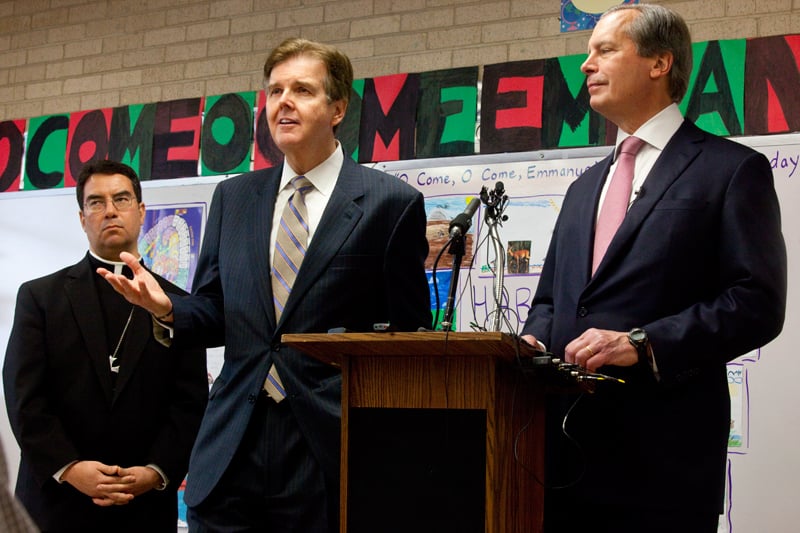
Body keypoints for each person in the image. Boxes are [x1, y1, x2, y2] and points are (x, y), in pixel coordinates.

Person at [100, 37, 431, 532]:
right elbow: (214, 309)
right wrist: (167, 308)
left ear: (338, 107)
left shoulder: (390, 204)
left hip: (326, 445)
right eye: (275, 91)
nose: (284, 102)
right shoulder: (234, 197)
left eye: (302, 89)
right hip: (233, 444)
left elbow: (407, 337)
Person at [521, 5, 786, 533]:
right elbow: (554, 301)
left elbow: (755, 302)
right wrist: (530, 343)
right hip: (560, 461)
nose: (585, 65)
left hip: (663, 464)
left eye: (604, 50)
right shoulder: (581, 188)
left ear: (659, 62)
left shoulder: (731, 170)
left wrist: (643, 343)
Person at [3, 160, 208, 532]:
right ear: (82, 218)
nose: (110, 210)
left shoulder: (178, 303)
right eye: (96, 202)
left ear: (141, 211)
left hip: (143, 505)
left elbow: (190, 403)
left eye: (121, 199)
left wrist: (155, 471)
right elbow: (24, 398)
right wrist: (70, 468)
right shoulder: (40, 297)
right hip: (55, 503)